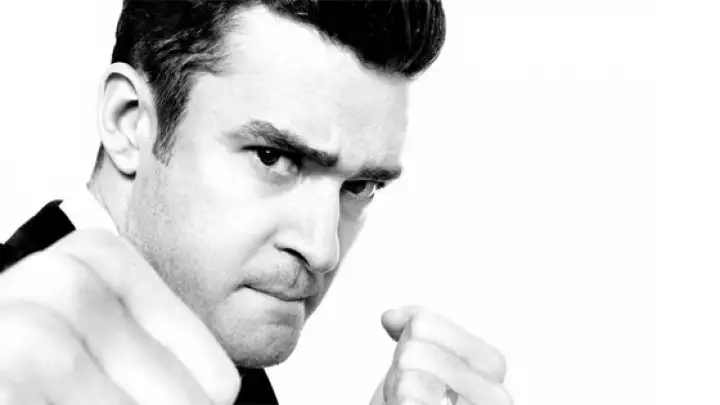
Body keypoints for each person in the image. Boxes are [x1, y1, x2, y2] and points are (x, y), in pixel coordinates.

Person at [0, 1, 512, 404]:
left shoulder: (222, 364)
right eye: (273, 157)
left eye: (359, 186)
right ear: (129, 121)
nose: (323, 250)